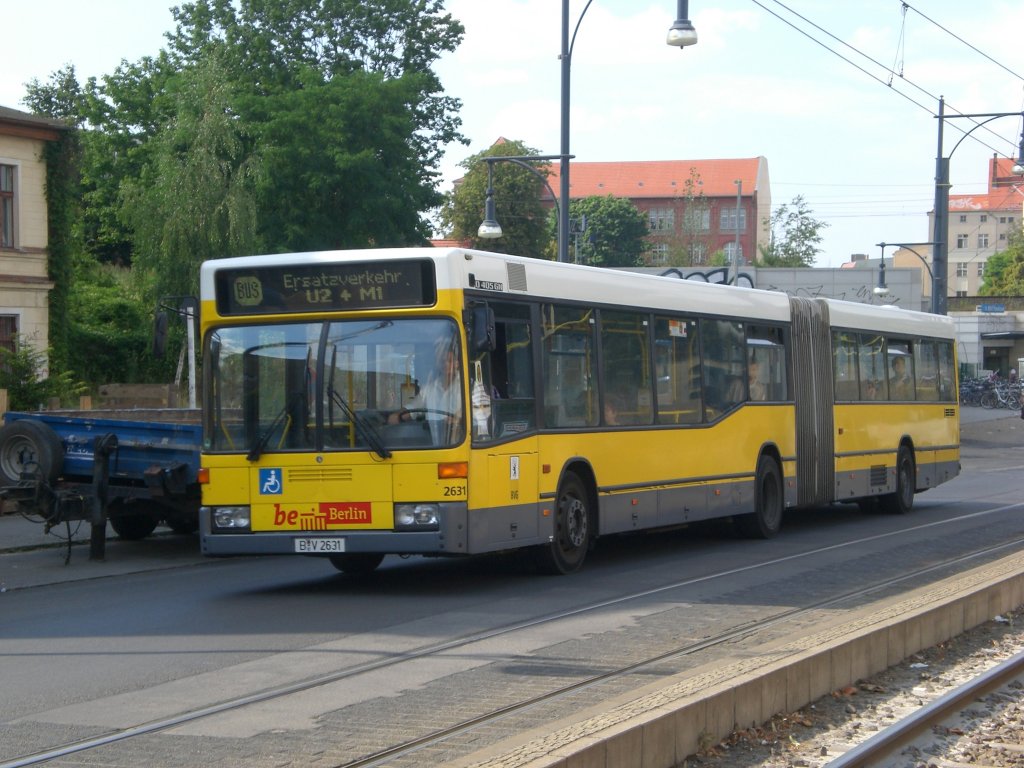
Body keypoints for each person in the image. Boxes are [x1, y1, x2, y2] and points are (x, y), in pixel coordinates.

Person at [389, 339, 463, 444]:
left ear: (457, 363)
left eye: (449, 361)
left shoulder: (471, 387)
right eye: (442, 361)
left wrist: (459, 418)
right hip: (435, 447)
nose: (446, 364)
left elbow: (481, 412)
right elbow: (413, 408)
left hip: (460, 447)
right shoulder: (429, 389)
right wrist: (397, 415)